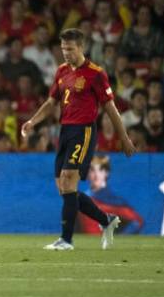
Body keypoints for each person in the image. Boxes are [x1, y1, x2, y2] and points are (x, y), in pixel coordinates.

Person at [22, 28, 136, 251]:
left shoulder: (95, 73)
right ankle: (107, 220)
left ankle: (66, 240)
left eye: (70, 49)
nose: (66, 53)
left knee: (68, 180)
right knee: (64, 188)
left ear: (81, 47)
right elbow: (51, 102)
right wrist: (32, 121)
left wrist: (124, 138)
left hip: (83, 131)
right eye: (63, 48)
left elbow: (111, 108)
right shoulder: (62, 71)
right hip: (65, 131)